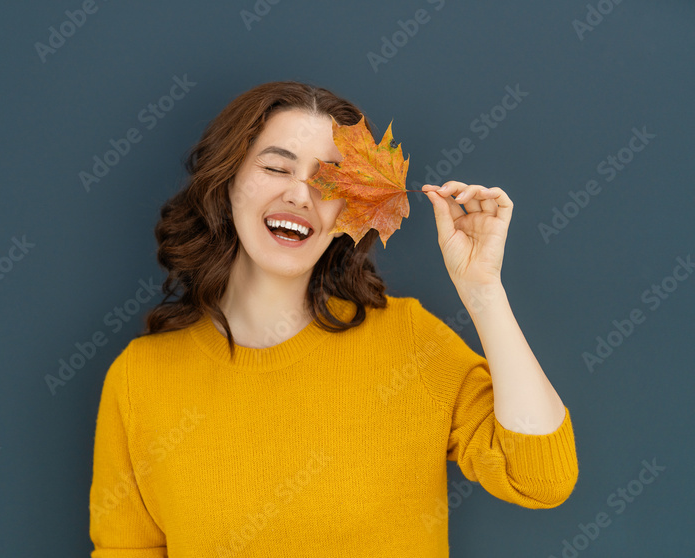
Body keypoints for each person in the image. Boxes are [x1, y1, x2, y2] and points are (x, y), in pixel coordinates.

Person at [89, 81, 578, 556]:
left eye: (328, 179)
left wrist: (483, 291)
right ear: (228, 181)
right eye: (277, 167)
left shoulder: (410, 342)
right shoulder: (139, 379)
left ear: (353, 204)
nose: (301, 196)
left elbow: (541, 478)